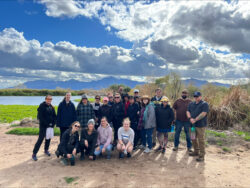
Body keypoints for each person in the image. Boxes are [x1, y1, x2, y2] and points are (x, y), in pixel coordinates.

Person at [32, 95, 56, 161]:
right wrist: (47, 124)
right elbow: (40, 117)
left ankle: (46, 150)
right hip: (43, 126)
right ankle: (34, 153)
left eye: (50, 99)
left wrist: (53, 123)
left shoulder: (52, 107)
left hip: (50, 126)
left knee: (48, 139)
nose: (49, 100)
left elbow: (54, 116)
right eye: (48, 99)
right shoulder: (41, 106)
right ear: (45, 99)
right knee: (40, 139)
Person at [187, 91, 209, 162]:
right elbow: (188, 111)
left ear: (200, 96)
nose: (196, 98)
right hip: (192, 125)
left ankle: (202, 155)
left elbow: (204, 113)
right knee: (193, 138)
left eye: (197, 96)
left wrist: (195, 119)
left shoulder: (204, 104)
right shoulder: (191, 104)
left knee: (201, 140)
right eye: (195, 96)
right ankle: (196, 151)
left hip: (200, 125)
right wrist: (190, 118)